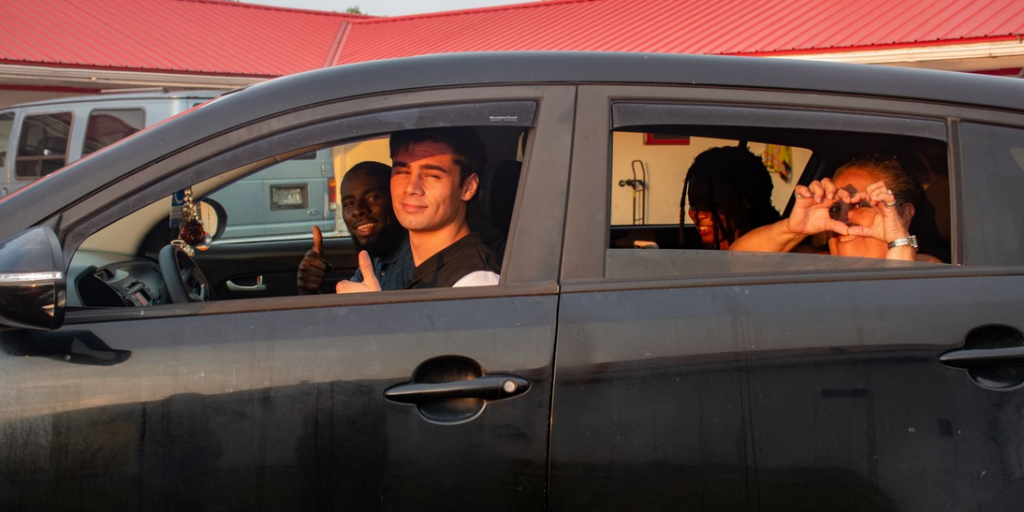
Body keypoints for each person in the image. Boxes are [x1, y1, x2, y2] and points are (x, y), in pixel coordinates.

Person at [336, 127, 501, 293]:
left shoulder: (476, 282)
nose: (411, 188)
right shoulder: (408, 265)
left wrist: (374, 313)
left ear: (468, 187)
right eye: (402, 171)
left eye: (431, 175)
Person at [730, 154, 942, 262]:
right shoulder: (819, 263)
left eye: (859, 204)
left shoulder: (927, 269)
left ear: (904, 214)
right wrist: (793, 229)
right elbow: (736, 262)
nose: (842, 219)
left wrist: (899, 242)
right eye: (834, 208)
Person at [296, 161, 412, 294]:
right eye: (349, 203)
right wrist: (308, 290)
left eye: (372, 197)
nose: (357, 210)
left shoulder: (413, 256)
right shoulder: (373, 260)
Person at [681, 146, 781, 250]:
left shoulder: (777, 254)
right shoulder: (700, 254)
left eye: (710, 204)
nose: (698, 214)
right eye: (692, 204)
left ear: (747, 200)